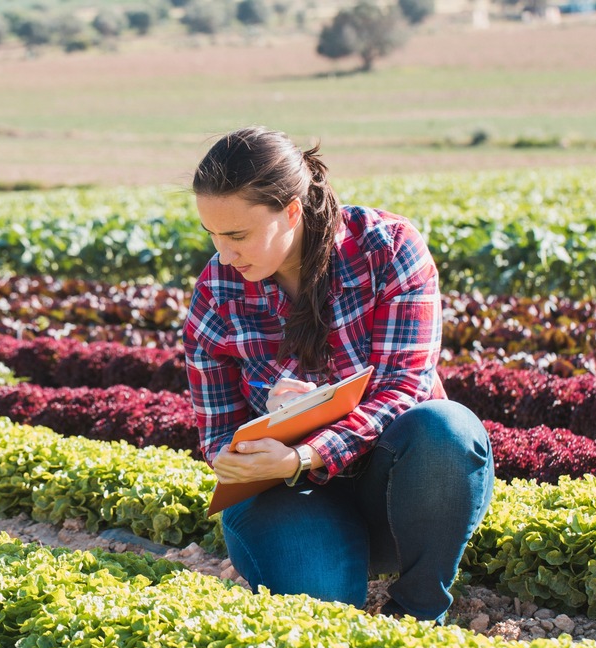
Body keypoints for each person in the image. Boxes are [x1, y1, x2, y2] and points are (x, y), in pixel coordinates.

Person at [183, 126, 494, 622]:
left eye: (238, 235)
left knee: (447, 428)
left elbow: (406, 390)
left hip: (394, 491)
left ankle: (419, 613)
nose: (223, 254)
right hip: (288, 500)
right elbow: (218, 438)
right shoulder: (216, 293)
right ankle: (321, 561)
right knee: (323, 607)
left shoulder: (387, 250)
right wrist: (264, 433)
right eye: (213, 235)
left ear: (291, 210)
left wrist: (305, 452)